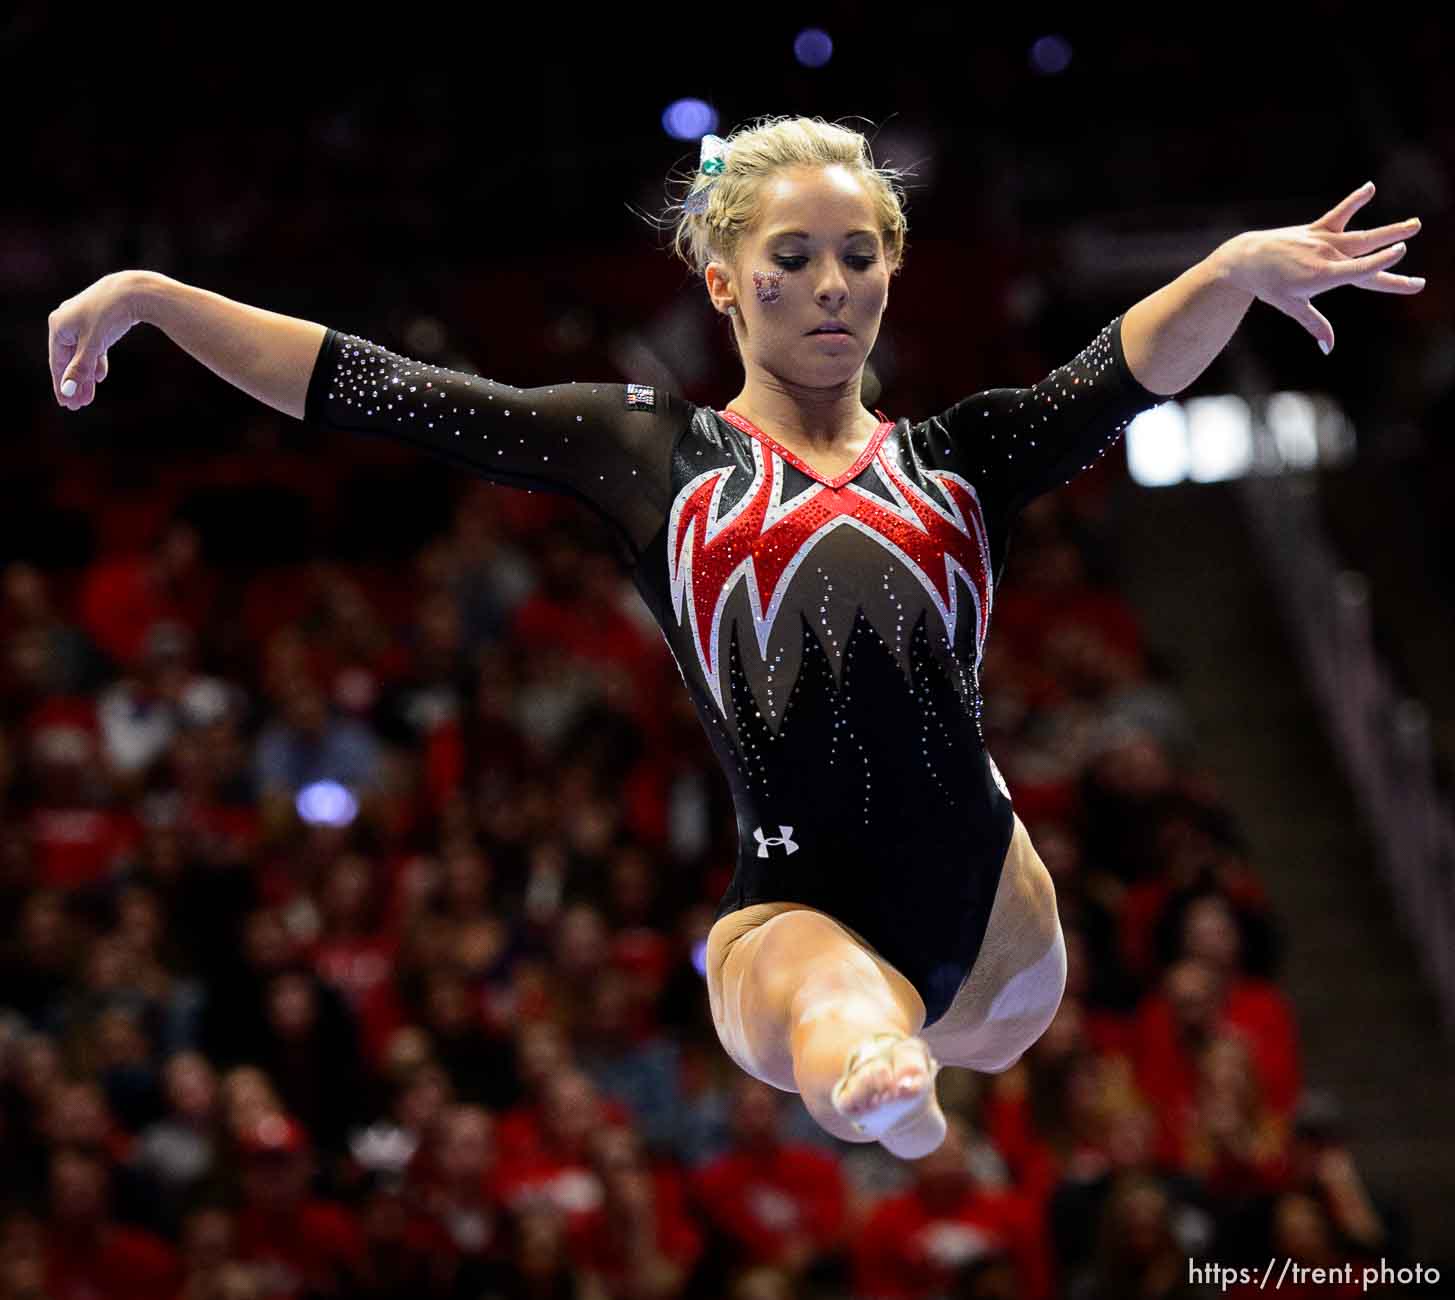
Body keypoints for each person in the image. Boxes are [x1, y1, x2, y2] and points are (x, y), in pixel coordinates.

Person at [49, 115, 1423, 1159]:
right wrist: (161, 300)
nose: (832, 284)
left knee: (945, 1016)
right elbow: (380, 390)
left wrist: (1237, 269)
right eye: (792, 258)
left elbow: (1117, 369)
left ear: (890, 274)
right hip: (798, 907)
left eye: (859, 255)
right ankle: (876, 1082)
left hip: (997, 929)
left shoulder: (962, 460)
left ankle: (890, 1065)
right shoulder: (649, 455)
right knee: (839, 1017)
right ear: (722, 281)